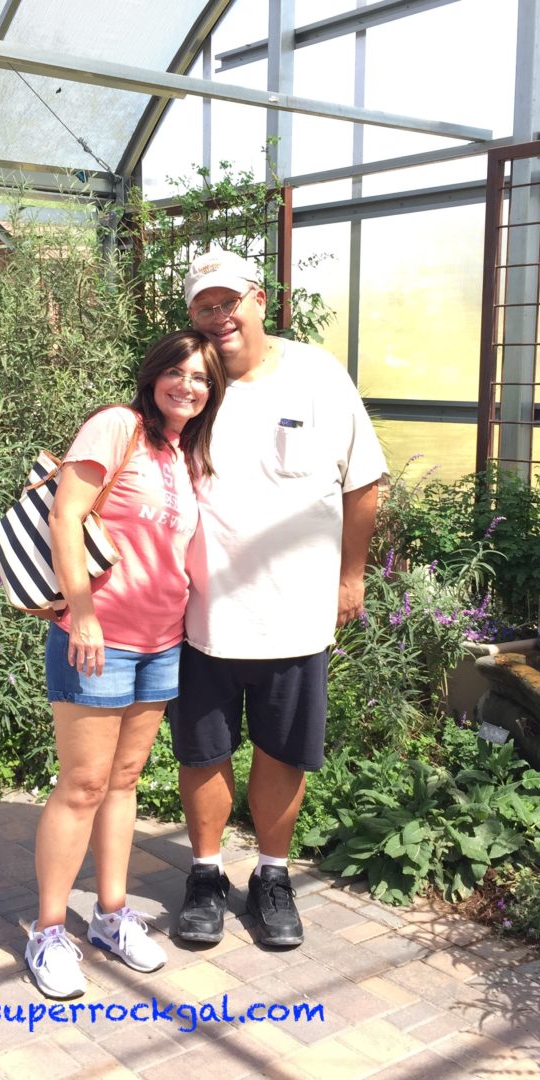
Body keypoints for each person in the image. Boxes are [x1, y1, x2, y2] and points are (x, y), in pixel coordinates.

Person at [169, 249, 387, 948]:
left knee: (282, 751)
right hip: (200, 611)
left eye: (229, 302)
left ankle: (270, 876)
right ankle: (205, 875)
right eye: (205, 306)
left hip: (294, 614)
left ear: (259, 300)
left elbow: (362, 483)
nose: (219, 317)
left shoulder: (317, 375)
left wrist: (350, 578)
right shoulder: (191, 384)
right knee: (203, 751)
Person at [25, 329, 226, 999]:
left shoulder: (181, 453)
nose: (187, 386)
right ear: (154, 374)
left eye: (200, 378)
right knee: (81, 783)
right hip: (97, 637)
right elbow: (66, 515)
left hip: (161, 640)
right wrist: (80, 611)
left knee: (124, 779)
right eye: (177, 371)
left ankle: (111, 915)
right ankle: (49, 931)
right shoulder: (118, 427)